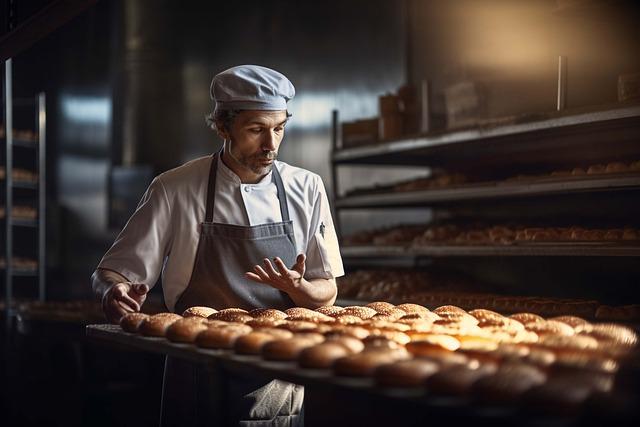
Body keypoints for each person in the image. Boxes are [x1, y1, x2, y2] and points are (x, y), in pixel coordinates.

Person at [91, 64, 344, 426]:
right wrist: (111, 292)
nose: (270, 145)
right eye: (256, 130)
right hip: (195, 370)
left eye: (279, 129)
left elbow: (327, 292)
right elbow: (111, 272)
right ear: (223, 126)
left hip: (277, 381)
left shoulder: (307, 188)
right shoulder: (174, 188)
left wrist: (299, 288)